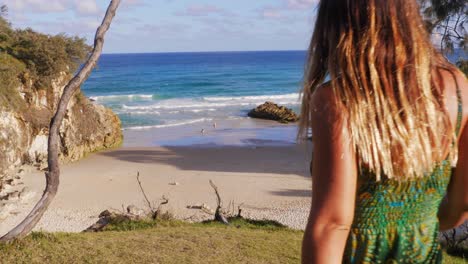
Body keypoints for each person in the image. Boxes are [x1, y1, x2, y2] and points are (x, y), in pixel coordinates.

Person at [299, 0, 467, 263]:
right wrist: (416, 222)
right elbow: (461, 205)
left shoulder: (338, 99)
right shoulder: (458, 87)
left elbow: (333, 224)